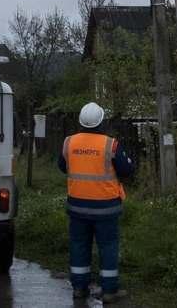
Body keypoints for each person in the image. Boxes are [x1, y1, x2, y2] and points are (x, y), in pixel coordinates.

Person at [58, 102, 135, 303]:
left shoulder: (69, 142)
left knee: (79, 245)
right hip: (106, 207)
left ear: (80, 121)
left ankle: (79, 288)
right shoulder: (111, 144)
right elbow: (127, 169)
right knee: (108, 246)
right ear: (101, 120)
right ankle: (109, 290)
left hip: (77, 206)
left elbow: (62, 166)